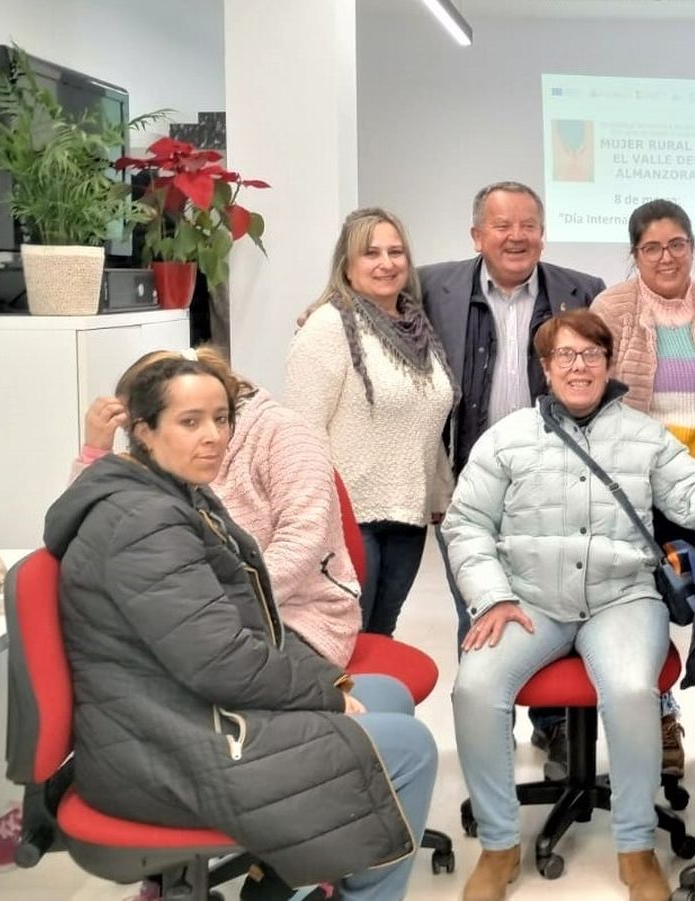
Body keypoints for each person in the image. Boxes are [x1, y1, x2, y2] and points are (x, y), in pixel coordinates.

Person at [43, 350, 438, 900]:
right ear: (143, 431)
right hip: (162, 745)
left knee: (386, 696)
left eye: (221, 419)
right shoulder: (143, 522)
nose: (213, 437)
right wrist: (322, 691)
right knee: (412, 748)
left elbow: (252, 623)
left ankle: (286, 879)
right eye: (190, 422)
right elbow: (221, 661)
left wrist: (329, 686)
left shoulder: (174, 493)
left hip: (177, 712)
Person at [444, 309, 695, 901]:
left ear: (609, 363)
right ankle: (498, 845)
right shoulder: (507, 438)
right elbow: (464, 524)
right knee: (474, 687)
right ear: (544, 369)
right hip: (531, 600)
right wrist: (490, 596)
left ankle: (636, 846)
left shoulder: (643, 435)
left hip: (624, 598)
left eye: (590, 354)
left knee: (627, 690)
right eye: (564, 356)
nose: (579, 366)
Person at [421, 181, 607, 774]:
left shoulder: (583, 292)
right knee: (478, 609)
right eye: (502, 226)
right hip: (469, 483)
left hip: (552, 487)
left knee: (549, 604)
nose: (516, 236)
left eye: (528, 224)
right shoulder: (432, 286)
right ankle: (488, 738)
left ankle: (554, 730)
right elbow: (365, 300)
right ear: (477, 235)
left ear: (543, 232)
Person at [72, 349, 362, 667]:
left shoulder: (283, 433)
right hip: (209, 613)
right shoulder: (164, 452)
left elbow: (304, 538)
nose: (210, 435)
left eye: (217, 420)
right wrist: (95, 452)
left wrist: (216, 604)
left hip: (298, 616)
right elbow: (94, 522)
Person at [590, 197, 695, 779]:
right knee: (645, 606)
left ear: (693, 246)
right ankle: (660, 713)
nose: (666, 256)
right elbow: (597, 394)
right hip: (640, 493)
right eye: (651, 247)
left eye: (677, 243)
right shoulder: (614, 308)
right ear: (635, 255)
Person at [286, 207, 456, 640]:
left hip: (408, 515)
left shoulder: (418, 327)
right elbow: (304, 431)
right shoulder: (328, 326)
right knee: (345, 637)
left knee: (381, 634)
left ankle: (379, 709)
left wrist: (439, 491)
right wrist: (318, 514)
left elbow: (425, 417)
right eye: (371, 253)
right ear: (347, 264)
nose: (387, 263)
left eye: (396, 251)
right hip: (348, 517)